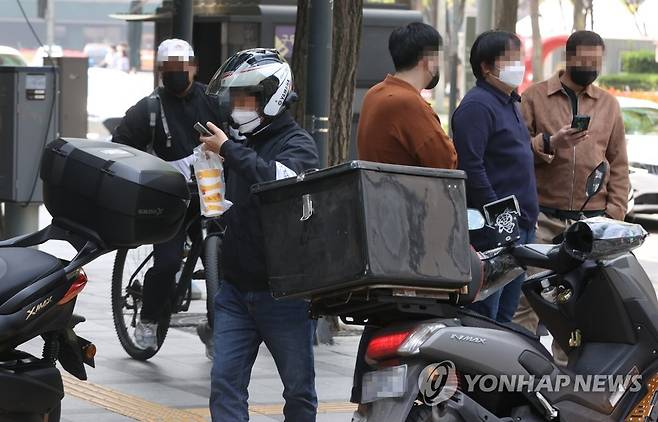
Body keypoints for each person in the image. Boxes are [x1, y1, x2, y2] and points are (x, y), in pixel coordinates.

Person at [200, 48, 319, 422]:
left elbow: (281, 181)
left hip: (283, 293)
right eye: (234, 98)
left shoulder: (298, 144)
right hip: (235, 289)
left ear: (273, 96)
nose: (238, 106)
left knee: (298, 390)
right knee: (225, 384)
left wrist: (231, 152)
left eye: (246, 98)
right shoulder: (240, 144)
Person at [352, 22, 457, 421]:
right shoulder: (406, 102)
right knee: (419, 323)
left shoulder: (381, 93)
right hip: (413, 238)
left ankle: (368, 406)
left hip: (385, 233)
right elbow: (445, 162)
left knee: (383, 322)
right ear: (429, 59)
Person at [514, 30, 629, 363]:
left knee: (579, 309)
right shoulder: (534, 98)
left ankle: (568, 386)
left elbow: (619, 163)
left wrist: (614, 214)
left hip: (591, 225)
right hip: (543, 220)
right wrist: (550, 143)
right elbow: (517, 151)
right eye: (585, 61)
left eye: (597, 62)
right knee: (530, 303)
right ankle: (518, 375)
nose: (592, 67)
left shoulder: (609, 104)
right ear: (569, 58)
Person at [112, 39, 222, 352]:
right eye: (170, 68)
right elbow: (120, 147)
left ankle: (217, 329)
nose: (177, 73)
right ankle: (148, 320)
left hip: (211, 194)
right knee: (167, 262)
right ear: (161, 71)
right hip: (171, 199)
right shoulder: (148, 108)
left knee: (223, 263)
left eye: (182, 67)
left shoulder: (213, 101)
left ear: (195, 67)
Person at [452, 30, 538, 323]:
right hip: (494, 229)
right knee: (485, 315)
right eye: (510, 59)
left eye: (519, 58)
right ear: (487, 67)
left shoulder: (510, 102)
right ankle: (472, 371)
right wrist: (499, 215)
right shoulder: (477, 106)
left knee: (505, 315)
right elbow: (471, 167)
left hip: (520, 225)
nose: (519, 65)